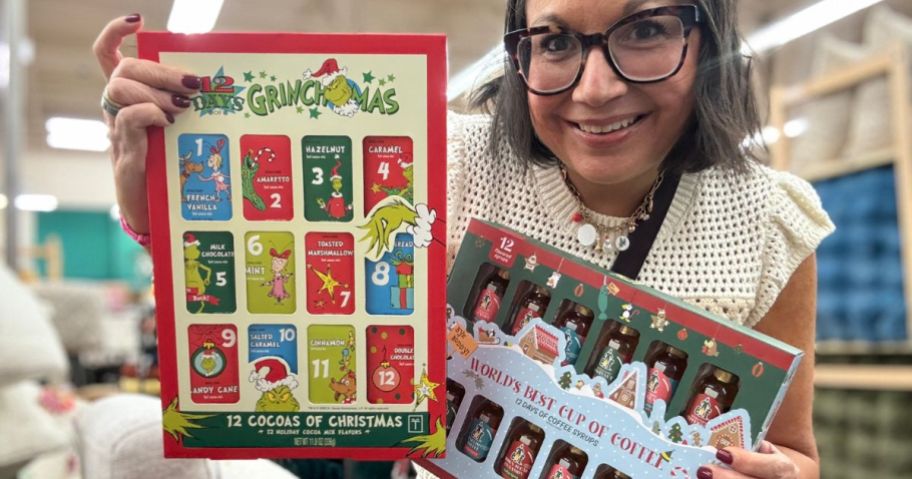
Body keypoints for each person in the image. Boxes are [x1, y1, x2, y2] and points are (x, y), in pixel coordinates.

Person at [94, 1, 833, 478]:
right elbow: (282, 279)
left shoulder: (767, 222)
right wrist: (156, 199)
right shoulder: (438, 157)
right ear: (521, 53)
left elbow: (796, 452)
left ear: (708, 36)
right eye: (555, 40)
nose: (596, 88)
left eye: (645, 30)